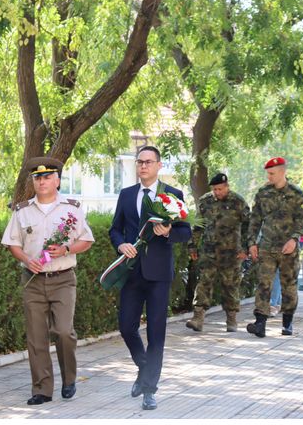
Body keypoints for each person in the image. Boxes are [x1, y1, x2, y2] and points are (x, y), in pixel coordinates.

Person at [1, 157, 94, 406]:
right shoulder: (22, 211)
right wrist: (25, 259)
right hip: (32, 280)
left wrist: (65, 249)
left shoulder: (71, 209)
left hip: (63, 278)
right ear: (33, 182)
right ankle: (42, 389)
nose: (42, 181)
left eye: (47, 177)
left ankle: (69, 379)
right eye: (37, 178)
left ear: (57, 181)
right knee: (36, 335)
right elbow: (12, 243)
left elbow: (86, 241)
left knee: (63, 331)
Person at [108, 145, 192, 411]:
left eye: (148, 162)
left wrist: (168, 231)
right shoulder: (126, 194)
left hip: (158, 275)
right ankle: (144, 368)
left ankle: (149, 390)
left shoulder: (173, 195)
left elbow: (186, 232)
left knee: (157, 333)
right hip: (131, 271)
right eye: (139, 162)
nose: (143, 166)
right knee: (126, 327)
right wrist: (121, 245)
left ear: (158, 165)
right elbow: (115, 230)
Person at [246, 157, 303, 337]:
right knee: (264, 284)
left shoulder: (297, 194)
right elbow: (255, 220)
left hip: (288, 248)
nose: (269, 177)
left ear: (282, 172)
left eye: (272, 173)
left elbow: (302, 220)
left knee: (289, 285)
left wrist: (294, 239)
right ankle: (260, 323)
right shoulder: (263, 193)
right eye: (268, 173)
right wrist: (251, 243)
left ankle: (287, 323)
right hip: (267, 246)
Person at [186, 173, 249, 332]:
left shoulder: (238, 201)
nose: (217, 192)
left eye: (220, 189)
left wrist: (247, 248)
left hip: (232, 253)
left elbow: (250, 226)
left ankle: (231, 319)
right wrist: (192, 246)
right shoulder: (205, 201)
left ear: (227, 186)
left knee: (231, 285)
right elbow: (198, 225)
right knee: (204, 283)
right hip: (209, 251)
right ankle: (198, 318)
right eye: (215, 189)